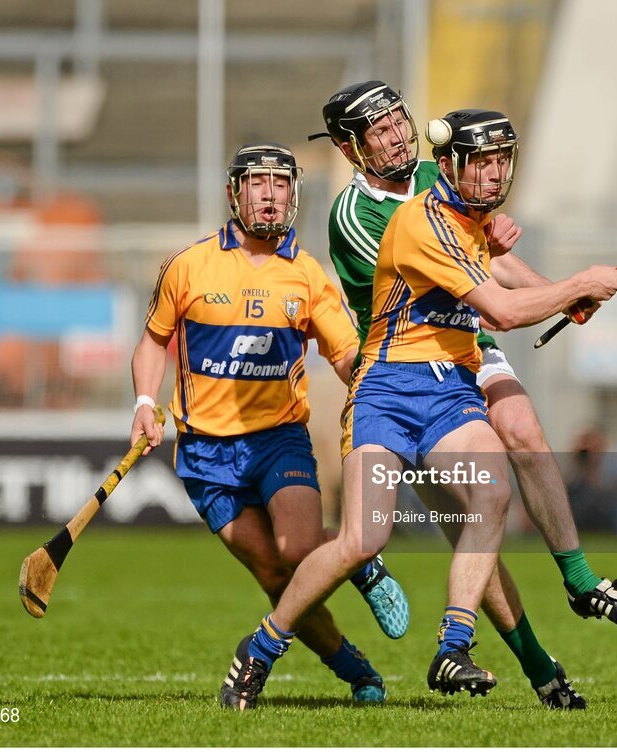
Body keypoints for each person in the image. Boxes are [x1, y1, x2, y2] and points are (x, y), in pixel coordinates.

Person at [226, 106, 617, 710]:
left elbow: (500, 276)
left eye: (502, 162)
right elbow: (498, 311)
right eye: (481, 164)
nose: (495, 176)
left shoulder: (465, 218)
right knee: (362, 541)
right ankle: (260, 648)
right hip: (389, 389)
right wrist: (575, 285)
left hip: (450, 387)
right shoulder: (418, 223)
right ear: (447, 166)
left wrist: (556, 292)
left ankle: (454, 645)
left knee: (492, 492)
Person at [130, 143, 409, 710]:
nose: (269, 195)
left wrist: (389, 387)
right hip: (206, 456)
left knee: (300, 547)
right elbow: (154, 341)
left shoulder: (307, 277)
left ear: (293, 196)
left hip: (277, 439)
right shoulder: (187, 266)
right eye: (257, 184)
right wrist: (142, 401)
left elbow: (347, 354)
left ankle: (359, 560)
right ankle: (355, 669)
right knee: (274, 574)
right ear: (236, 193)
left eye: (280, 185)